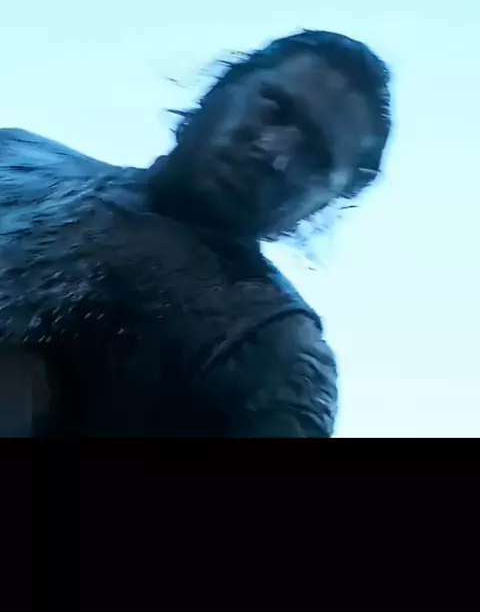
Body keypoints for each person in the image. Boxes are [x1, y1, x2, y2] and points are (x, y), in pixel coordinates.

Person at [0, 29, 392, 437]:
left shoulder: (272, 350)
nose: (274, 152)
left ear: (326, 200)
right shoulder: (16, 157)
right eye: (274, 109)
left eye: (314, 157)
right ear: (220, 87)